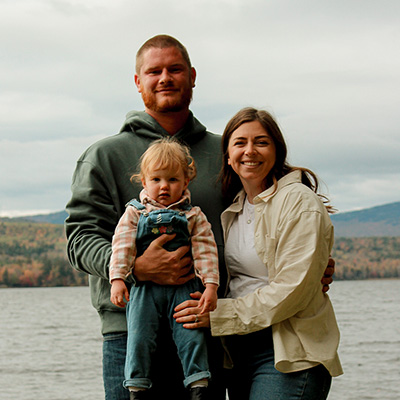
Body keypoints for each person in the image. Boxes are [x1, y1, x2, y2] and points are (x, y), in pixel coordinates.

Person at [65, 34, 335, 400]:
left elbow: (262, 218)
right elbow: (80, 239)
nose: (165, 78)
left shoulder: (223, 151)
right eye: (154, 71)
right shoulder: (103, 155)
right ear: (137, 82)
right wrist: (135, 268)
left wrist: (311, 263)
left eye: (175, 69)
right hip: (128, 330)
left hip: (205, 329)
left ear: (192, 76)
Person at [174, 107, 343, 400]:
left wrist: (218, 316)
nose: (250, 151)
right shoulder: (235, 209)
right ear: (227, 156)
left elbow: (293, 290)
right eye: (240, 143)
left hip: (288, 351)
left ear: (277, 150)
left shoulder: (299, 202)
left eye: (261, 142)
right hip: (238, 350)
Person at [109, 138, 219, 399]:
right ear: (144, 181)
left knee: (191, 334)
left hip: (185, 288)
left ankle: (198, 381)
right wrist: (118, 278)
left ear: (185, 182)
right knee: (139, 334)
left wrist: (211, 285)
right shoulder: (135, 213)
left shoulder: (193, 216)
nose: (164, 187)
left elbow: (206, 251)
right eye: (156, 179)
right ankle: (136, 386)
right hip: (145, 290)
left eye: (172, 180)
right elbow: (122, 245)